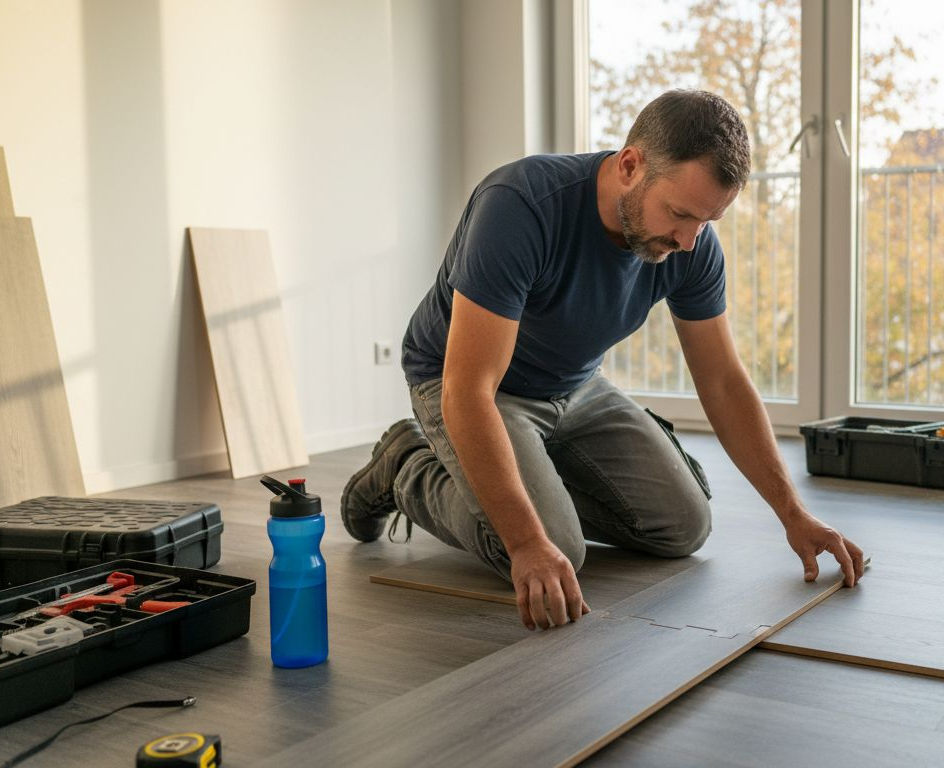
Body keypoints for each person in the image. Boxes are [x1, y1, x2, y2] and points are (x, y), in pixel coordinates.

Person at [341, 89, 866, 632]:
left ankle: (529, 482)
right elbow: (468, 388)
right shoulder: (520, 206)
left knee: (684, 527)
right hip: (473, 387)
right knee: (553, 548)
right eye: (681, 214)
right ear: (630, 165)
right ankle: (406, 466)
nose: (688, 241)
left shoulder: (691, 246)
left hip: (577, 386)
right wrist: (526, 542)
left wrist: (792, 513)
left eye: (707, 222)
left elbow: (724, 383)